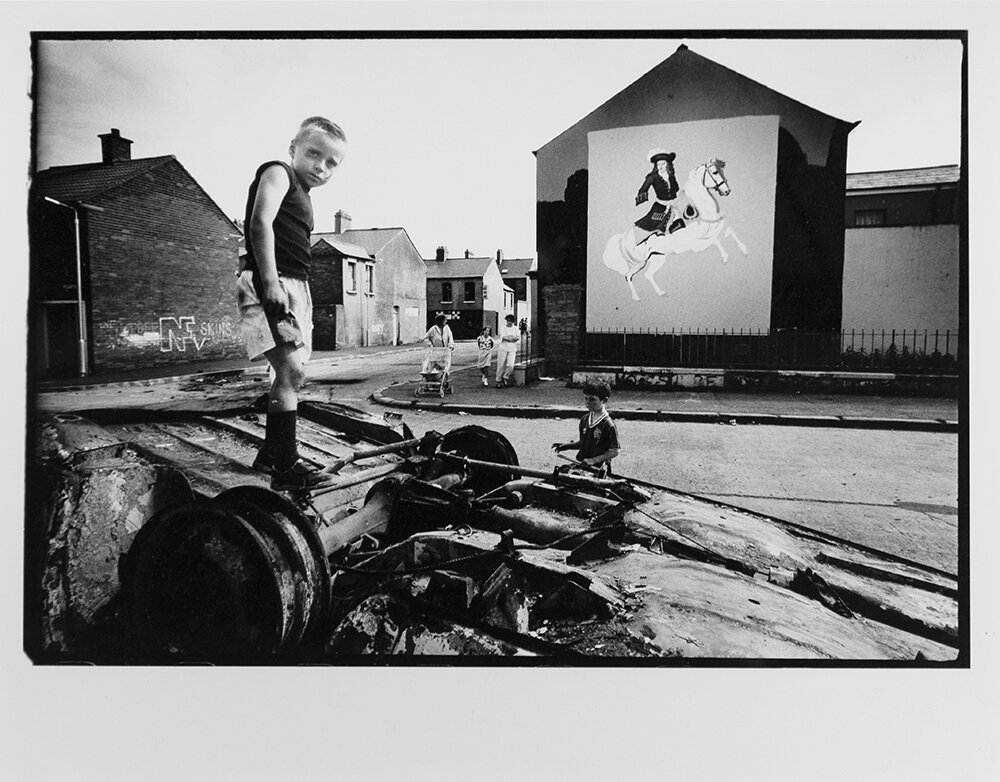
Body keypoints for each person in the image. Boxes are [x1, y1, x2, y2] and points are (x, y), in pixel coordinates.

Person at [237, 116, 347, 490]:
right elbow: (259, 223)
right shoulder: (278, 172)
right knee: (292, 372)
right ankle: (284, 466)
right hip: (273, 282)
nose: (322, 166)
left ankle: (272, 452)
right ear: (293, 149)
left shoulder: (306, 197)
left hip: (296, 286)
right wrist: (270, 282)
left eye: (332, 162)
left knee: (291, 373)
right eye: (314, 154)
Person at [551, 380, 621, 475]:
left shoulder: (608, 424)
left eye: (592, 399)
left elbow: (614, 451)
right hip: (583, 465)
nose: (587, 402)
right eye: (586, 398)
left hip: (598, 469)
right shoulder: (585, 419)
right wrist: (567, 446)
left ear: (604, 400)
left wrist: (593, 460)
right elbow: (584, 442)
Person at [634, 148, 685, 242]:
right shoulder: (652, 177)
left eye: (663, 164)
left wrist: (681, 194)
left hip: (674, 204)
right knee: (656, 227)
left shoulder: (671, 176)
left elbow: (676, 189)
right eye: (658, 164)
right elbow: (643, 189)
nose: (660, 167)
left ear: (668, 165)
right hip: (661, 207)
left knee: (686, 219)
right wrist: (642, 196)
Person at [495, 314, 520, 388]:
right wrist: (512, 337)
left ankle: (505, 377)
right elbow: (504, 338)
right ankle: (498, 380)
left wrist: (510, 337)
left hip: (512, 348)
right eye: (508, 321)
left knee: (511, 365)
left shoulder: (515, 328)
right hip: (503, 348)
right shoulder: (503, 328)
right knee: (501, 365)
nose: (509, 322)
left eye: (511, 321)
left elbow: (517, 337)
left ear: (513, 322)